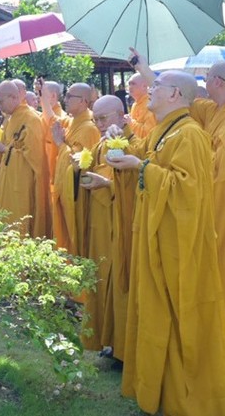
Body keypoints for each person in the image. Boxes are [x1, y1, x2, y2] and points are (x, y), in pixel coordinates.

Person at [133, 50, 225, 381]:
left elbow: (222, 184)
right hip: (221, 216)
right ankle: (221, 358)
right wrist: (145, 70)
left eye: (206, 79)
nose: (202, 84)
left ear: (218, 83)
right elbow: (182, 101)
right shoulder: (222, 110)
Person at [107, 70, 225, 416]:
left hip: (179, 242)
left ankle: (184, 394)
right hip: (157, 235)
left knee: (176, 311)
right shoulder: (167, 130)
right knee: (153, 310)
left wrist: (141, 167)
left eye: (157, 86)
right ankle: (159, 386)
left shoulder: (190, 134)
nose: (150, 90)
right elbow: (150, 156)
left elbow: (188, 189)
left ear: (176, 94)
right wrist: (123, 141)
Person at [74, 95, 138, 358]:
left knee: (118, 280)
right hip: (100, 224)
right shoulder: (102, 143)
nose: (99, 124)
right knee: (100, 277)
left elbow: (138, 183)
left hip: (121, 225)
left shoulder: (133, 143)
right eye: (96, 119)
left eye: (104, 118)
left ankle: (123, 344)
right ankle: (105, 338)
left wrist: (107, 184)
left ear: (121, 116)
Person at [0, 81, 50, 236]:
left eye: (0, 101)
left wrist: (5, 149)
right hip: (8, 178)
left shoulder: (31, 119)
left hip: (22, 182)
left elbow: (35, 156)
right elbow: (7, 146)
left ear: (13, 97)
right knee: (6, 217)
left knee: (20, 221)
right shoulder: (10, 119)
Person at [51, 82, 101, 252]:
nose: (65, 99)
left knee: (76, 234)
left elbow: (78, 162)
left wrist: (60, 143)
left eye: (70, 96)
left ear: (84, 101)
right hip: (67, 189)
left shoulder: (88, 127)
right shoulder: (74, 123)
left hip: (79, 193)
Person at [40, 81, 67, 180]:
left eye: (42, 94)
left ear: (53, 95)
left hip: (54, 172)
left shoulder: (62, 118)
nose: (40, 99)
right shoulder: (41, 115)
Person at [127, 73, 156, 138]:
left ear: (144, 86)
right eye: (129, 84)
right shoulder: (135, 104)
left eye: (133, 84)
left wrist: (130, 122)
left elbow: (147, 133)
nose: (130, 87)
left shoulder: (150, 104)